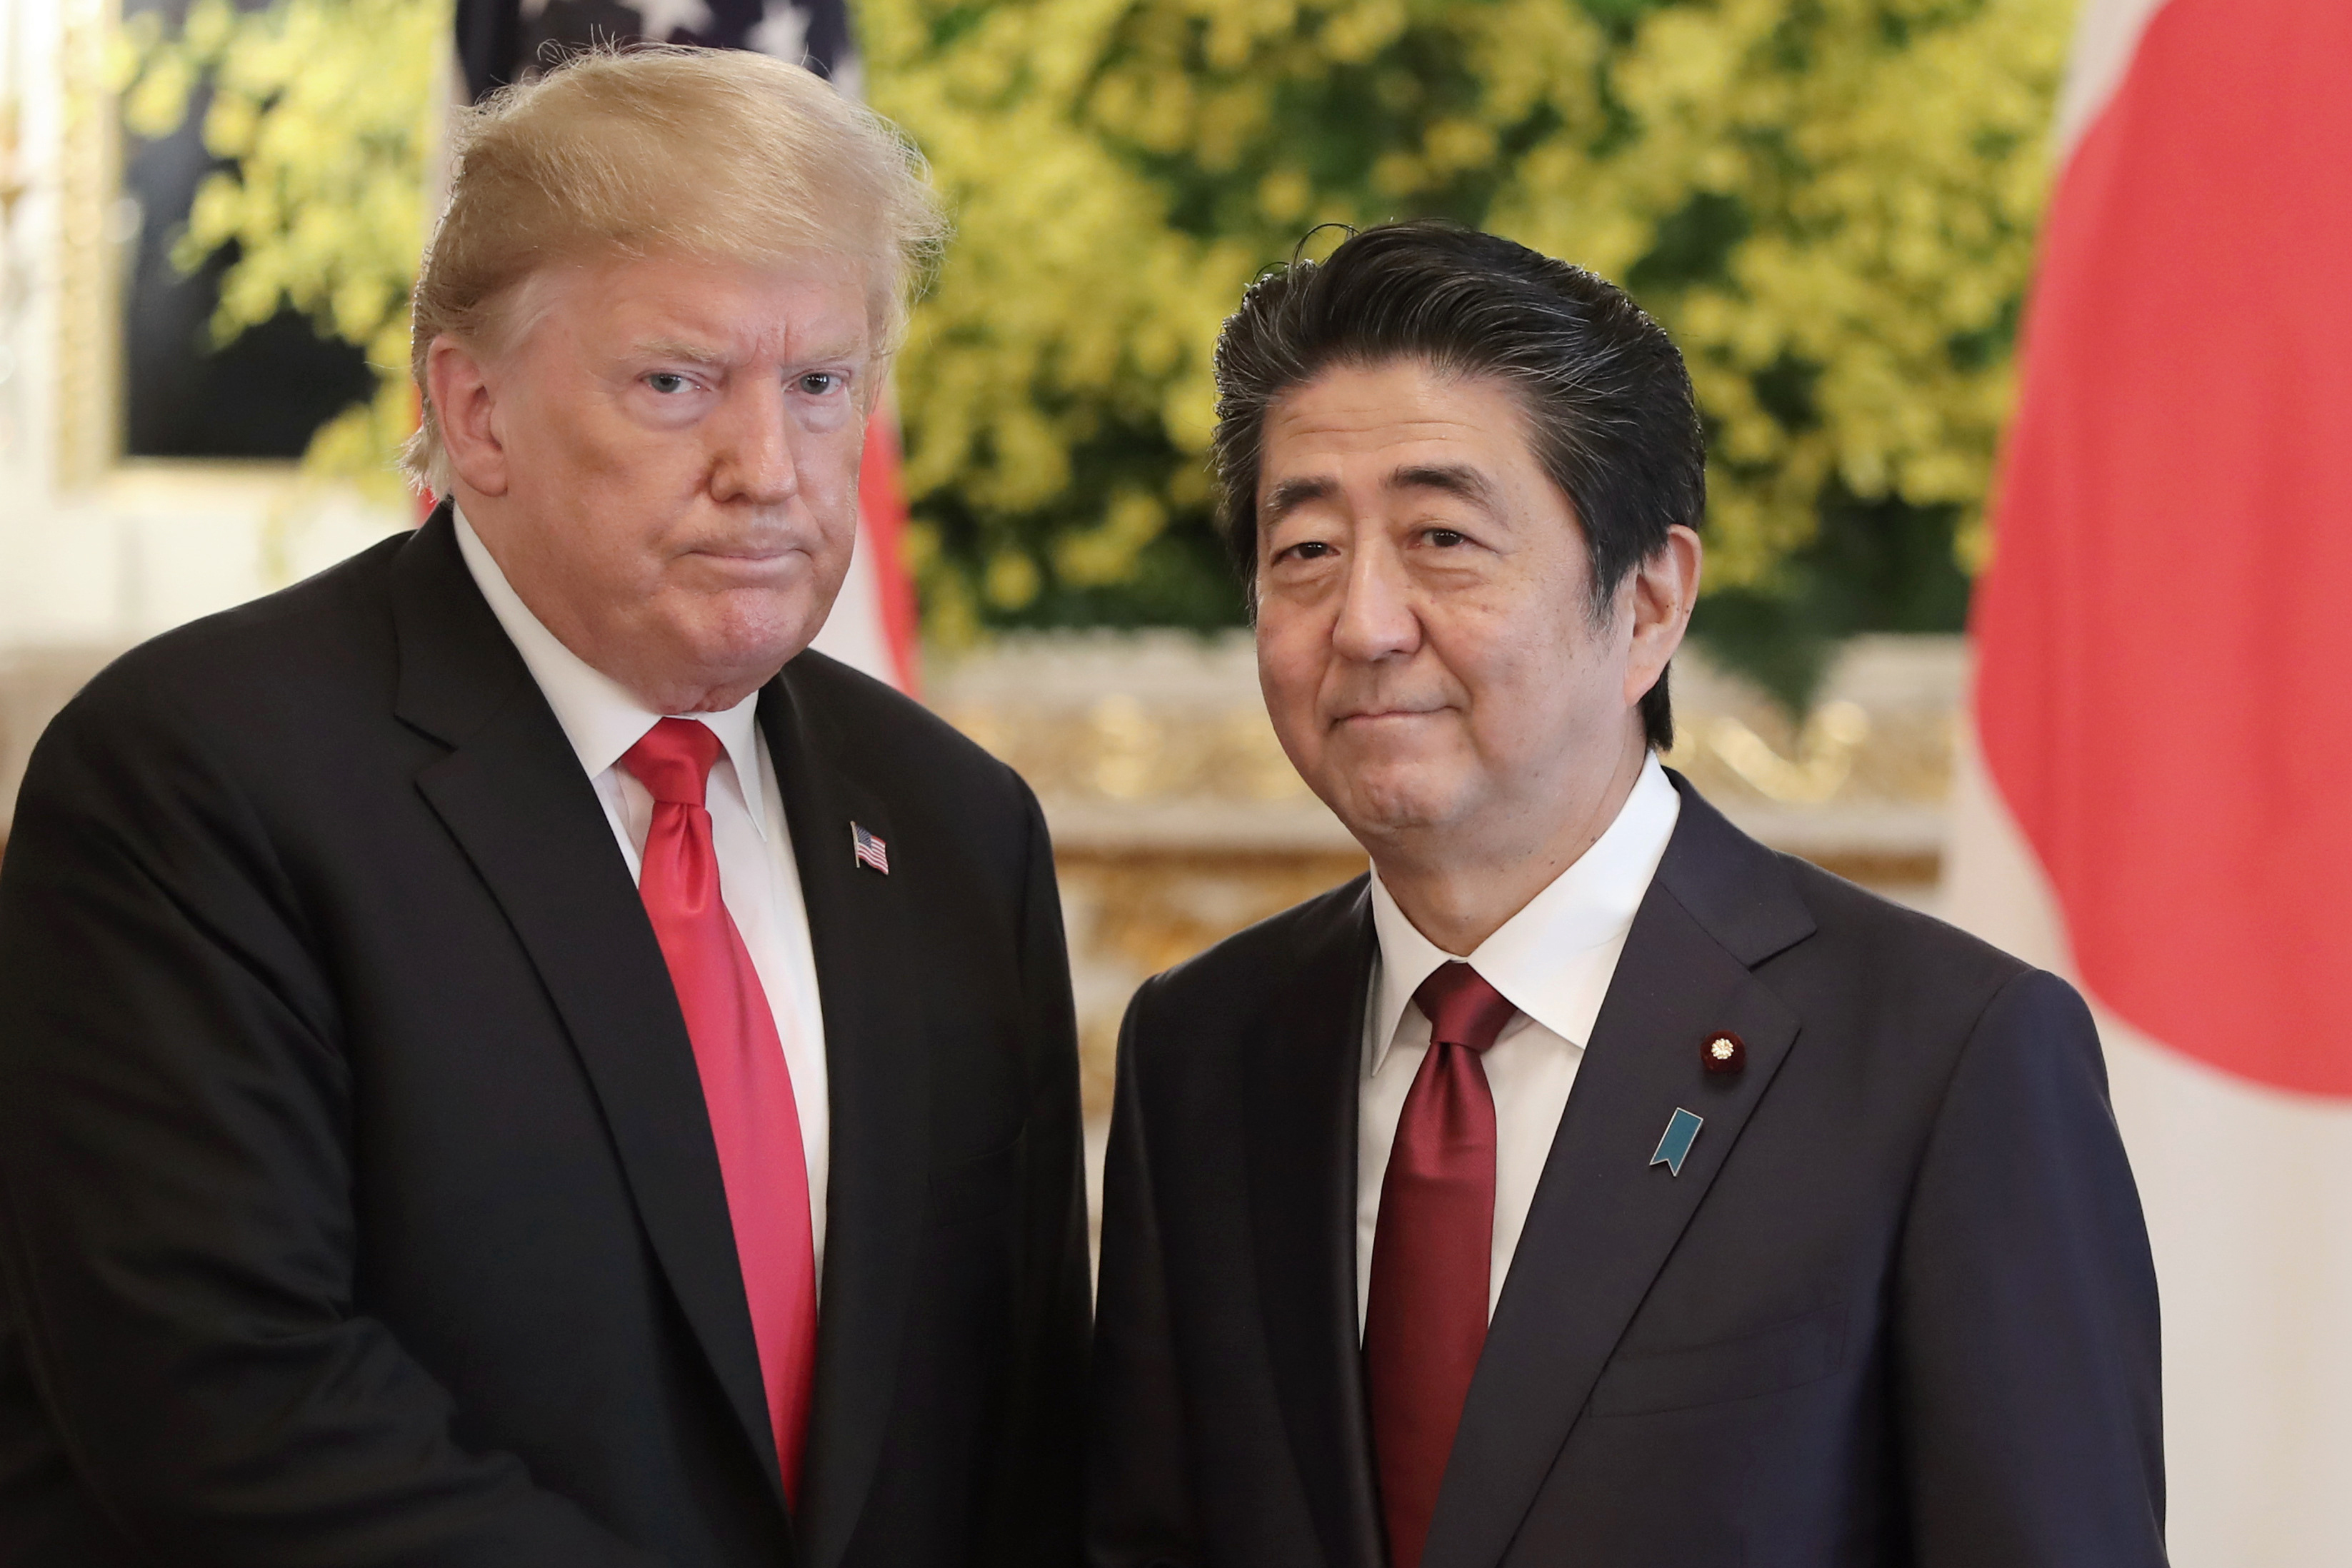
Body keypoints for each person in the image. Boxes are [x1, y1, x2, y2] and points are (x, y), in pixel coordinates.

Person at [0, 49, 1088, 1567]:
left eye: (820, 385)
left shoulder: (960, 827)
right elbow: (230, 1412)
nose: (766, 469)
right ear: (477, 411)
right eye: (675, 383)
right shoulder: (196, 779)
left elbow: (1021, 1436)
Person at [1086, 222, 2165, 1568]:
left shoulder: (1942, 1060)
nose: (1363, 623)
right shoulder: (1203, 1051)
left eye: (1440, 537)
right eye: (1304, 549)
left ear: (1648, 603)